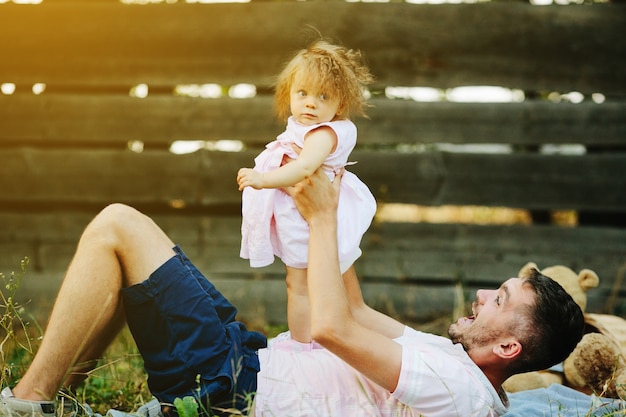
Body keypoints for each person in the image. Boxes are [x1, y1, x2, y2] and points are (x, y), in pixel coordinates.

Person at [0, 169, 584, 417]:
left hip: (237, 391)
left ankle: (27, 404)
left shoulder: (458, 391)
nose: (484, 294)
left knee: (117, 225)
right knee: (129, 261)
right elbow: (351, 307)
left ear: (508, 349)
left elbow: (332, 327)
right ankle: (53, 397)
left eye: (501, 299)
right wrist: (334, 199)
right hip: (251, 360)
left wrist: (325, 220)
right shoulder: (451, 359)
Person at [236, 39, 376, 342]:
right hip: (300, 215)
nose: (311, 102)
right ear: (290, 95)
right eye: (303, 93)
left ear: (340, 104)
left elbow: (303, 168)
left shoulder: (327, 132)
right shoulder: (303, 124)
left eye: (323, 96)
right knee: (304, 284)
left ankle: (303, 348)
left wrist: (262, 179)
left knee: (300, 285)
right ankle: (313, 340)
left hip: (309, 219)